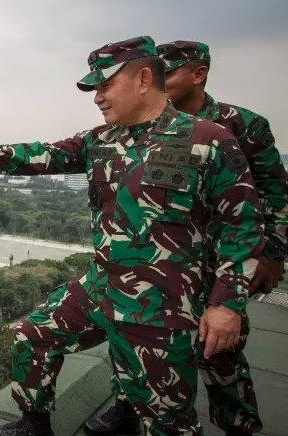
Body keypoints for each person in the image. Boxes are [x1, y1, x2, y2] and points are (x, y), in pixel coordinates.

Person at [0, 35, 266, 436]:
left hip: (162, 304)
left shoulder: (208, 140)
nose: (97, 97)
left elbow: (242, 226)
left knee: (166, 419)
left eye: (104, 85)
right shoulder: (100, 141)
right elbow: (41, 154)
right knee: (34, 336)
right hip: (101, 285)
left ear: (143, 78)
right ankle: (34, 425)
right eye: (94, 89)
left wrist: (227, 305)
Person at [83, 40, 288, 436]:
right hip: (169, 261)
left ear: (198, 74)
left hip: (222, 259)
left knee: (220, 350)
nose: (161, 79)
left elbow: (275, 194)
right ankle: (129, 405)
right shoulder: (142, 126)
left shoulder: (238, 124)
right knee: (135, 336)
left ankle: (237, 423)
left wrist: (271, 254)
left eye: (170, 71)